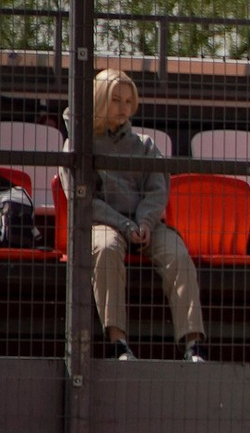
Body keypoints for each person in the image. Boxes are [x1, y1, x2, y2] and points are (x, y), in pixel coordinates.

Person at [82, 67, 205, 364]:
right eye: (115, 100)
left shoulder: (146, 146)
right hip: (105, 223)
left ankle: (193, 345)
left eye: (128, 101)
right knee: (106, 249)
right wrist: (125, 225)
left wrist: (145, 223)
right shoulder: (79, 143)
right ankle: (118, 343)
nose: (123, 108)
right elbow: (84, 199)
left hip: (145, 224)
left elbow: (157, 190)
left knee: (177, 253)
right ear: (99, 100)